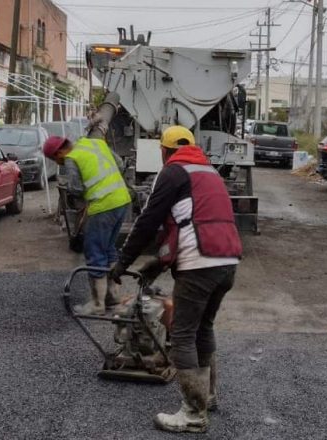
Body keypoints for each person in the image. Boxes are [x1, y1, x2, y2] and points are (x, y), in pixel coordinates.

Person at [109, 125, 242, 433]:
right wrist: (161, 262)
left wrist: (122, 262)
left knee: (182, 333)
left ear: (164, 151)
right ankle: (206, 396)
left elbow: (148, 222)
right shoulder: (208, 172)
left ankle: (193, 415)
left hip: (200, 261)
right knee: (203, 327)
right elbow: (188, 222)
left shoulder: (172, 172)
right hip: (228, 260)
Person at [43, 135, 131, 315]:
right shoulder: (96, 143)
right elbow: (120, 164)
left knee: (95, 251)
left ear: (59, 151)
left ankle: (97, 304)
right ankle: (112, 298)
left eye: (55, 159)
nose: (58, 163)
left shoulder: (71, 158)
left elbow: (75, 188)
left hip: (103, 205)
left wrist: (81, 195)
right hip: (122, 200)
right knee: (109, 248)